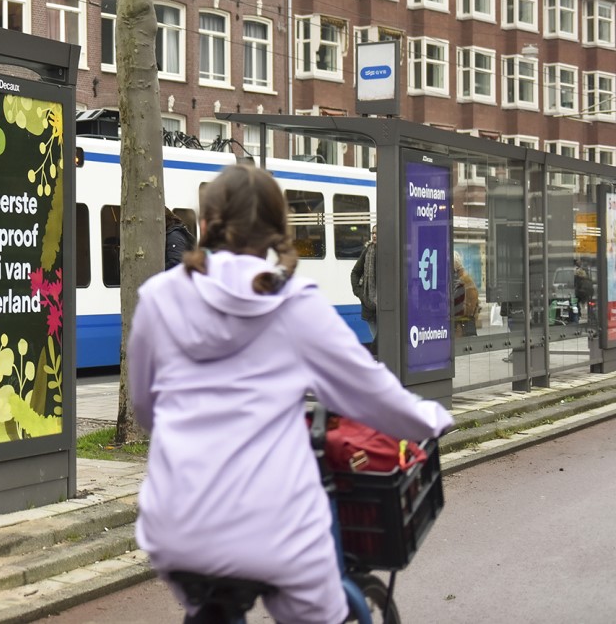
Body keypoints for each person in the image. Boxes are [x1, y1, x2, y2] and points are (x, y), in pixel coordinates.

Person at [128, 165, 451, 624]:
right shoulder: (292, 302)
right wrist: (431, 419)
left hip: (177, 527)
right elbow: (369, 393)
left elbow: (146, 408)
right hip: (274, 530)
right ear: (280, 232)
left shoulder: (159, 297)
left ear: (204, 225)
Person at [349, 225, 378, 355]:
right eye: (373, 233)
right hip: (369, 306)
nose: (374, 235)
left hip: (385, 308)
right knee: (378, 342)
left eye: (377, 233)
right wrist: (360, 293)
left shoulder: (388, 252)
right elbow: (355, 272)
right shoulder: (367, 251)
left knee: (381, 344)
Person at [452, 255, 479, 337]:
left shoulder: (462, 281)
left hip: (461, 326)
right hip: (466, 323)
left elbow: (457, 307)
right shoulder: (466, 279)